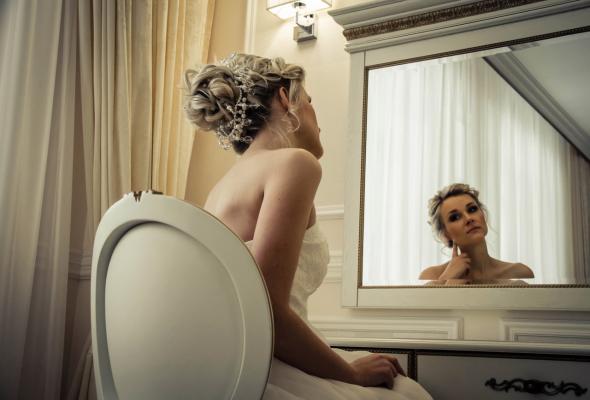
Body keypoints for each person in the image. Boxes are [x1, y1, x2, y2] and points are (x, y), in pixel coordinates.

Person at [184, 53, 432, 399]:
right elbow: (267, 309)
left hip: (223, 363)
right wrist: (350, 373)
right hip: (266, 361)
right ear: (285, 98)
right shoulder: (295, 163)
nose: (317, 117)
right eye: (310, 101)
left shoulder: (221, 187)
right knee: (408, 392)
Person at [419, 183, 534, 285]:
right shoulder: (431, 276)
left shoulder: (520, 273)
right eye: (455, 217)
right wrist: (447, 279)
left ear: (483, 215)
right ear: (445, 234)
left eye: (472, 209)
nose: (469, 218)